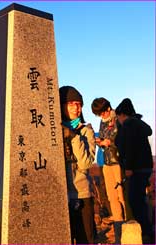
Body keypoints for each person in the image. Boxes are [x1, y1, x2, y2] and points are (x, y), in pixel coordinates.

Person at [115, 98, 154, 244]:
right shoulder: (139, 125)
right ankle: (147, 230)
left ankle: (144, 231)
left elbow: (129, 148)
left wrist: (128, 167)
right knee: (140, 200)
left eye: (118, 117)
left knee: (134, 200)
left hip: (136, 168)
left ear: (122, 114)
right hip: (146, 166)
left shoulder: (129, 125)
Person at [60, 86, 96, 244]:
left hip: (81, 195)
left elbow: (86, 163)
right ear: (61, 106)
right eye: (71, 104)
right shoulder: (55, 132)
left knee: (85, 239)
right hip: (60, 196)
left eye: (79, 104)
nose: (76, 108)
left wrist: (74, 138)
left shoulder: (86, 130)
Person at [91, 97, 126, 244]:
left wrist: (110, 142)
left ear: (108, 108)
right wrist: (99, 141)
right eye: (98, 115)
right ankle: (118, 236)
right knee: (112, 198)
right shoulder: (102, 121)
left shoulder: (118, 118)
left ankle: (127, 227)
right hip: (106, 163)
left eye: (102, 113)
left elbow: (123, 140)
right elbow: (104, 138)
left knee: (121, 196)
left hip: (118, 162)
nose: (101, 116)